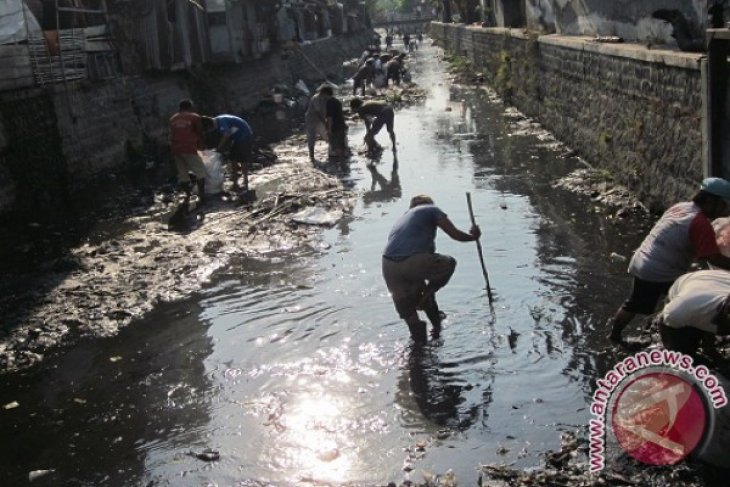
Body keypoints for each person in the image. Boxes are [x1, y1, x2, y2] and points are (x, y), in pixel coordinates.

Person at [608, 177, 730, 345]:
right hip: (659, 270)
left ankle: (617, 336)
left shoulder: (681, 207)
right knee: (694, 297)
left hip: (644, 258)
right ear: (710, 201)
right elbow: (712, 257)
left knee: (636, 302)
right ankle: (698, 341)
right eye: (723, 205)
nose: (724, 211)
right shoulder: (700, 224)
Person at [382, 195, 481, 342]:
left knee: (409, 312)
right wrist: (474, 237)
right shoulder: (431, 209)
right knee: (448, 264)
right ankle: (431, 310)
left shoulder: (403, 218)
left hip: (388, 265)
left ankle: (419, 349)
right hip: (413, 262)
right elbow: (456, 235)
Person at [656, 270, 730, 358]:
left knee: (717, 325)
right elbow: (663, 320)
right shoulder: (684, 310)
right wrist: (672, 352)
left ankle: (708, 347)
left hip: (720, 279)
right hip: (689, 284)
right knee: (684, 351)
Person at [201, 114, 253, 192]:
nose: (210, 130)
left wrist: (219, 148)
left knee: (242, 159)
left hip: (244, 135)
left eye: (208, 129)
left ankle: (245, 180)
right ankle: (235, 181)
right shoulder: (218, 122)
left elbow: (226, 134)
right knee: (233, 159)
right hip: (236, 138)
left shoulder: (221, 122)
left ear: (209, 125)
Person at [169, 100, 206, 203]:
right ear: (190, 107)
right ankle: (202, 196)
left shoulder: (173, 118)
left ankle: (188, 195)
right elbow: (200, 131)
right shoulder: (194, 117)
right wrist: (202, 144)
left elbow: (172, 133)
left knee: (182, 173)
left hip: (176, 148)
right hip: (188, 147)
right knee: (200, 171)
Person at [304, 84, 331, 162]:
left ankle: (332, 152)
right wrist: (325, 122)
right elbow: (317, 112)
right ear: (323, 92)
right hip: (312, 119)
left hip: (320, 119)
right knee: (312, 137)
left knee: (327, 135)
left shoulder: (325, 99)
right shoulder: (316, 98)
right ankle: (311, 156)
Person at [323, 86, 348, 159]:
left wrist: (329, 130)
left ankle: (342, 163)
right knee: (341, 145)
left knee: (335, 146)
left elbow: (330, 117)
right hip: (341, 125)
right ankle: (343, 164)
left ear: (325, 93)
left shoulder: (329, 102)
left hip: (335, 128)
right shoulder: (337, 101)